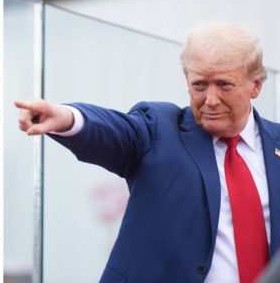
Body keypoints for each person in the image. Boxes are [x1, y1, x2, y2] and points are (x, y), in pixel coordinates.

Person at [15, 21, 279, 282]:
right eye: (199, 85)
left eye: (224, 85)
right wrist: (67, 117)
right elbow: (117, 131)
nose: (210, 99)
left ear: (256, 84)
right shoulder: (159, 130)